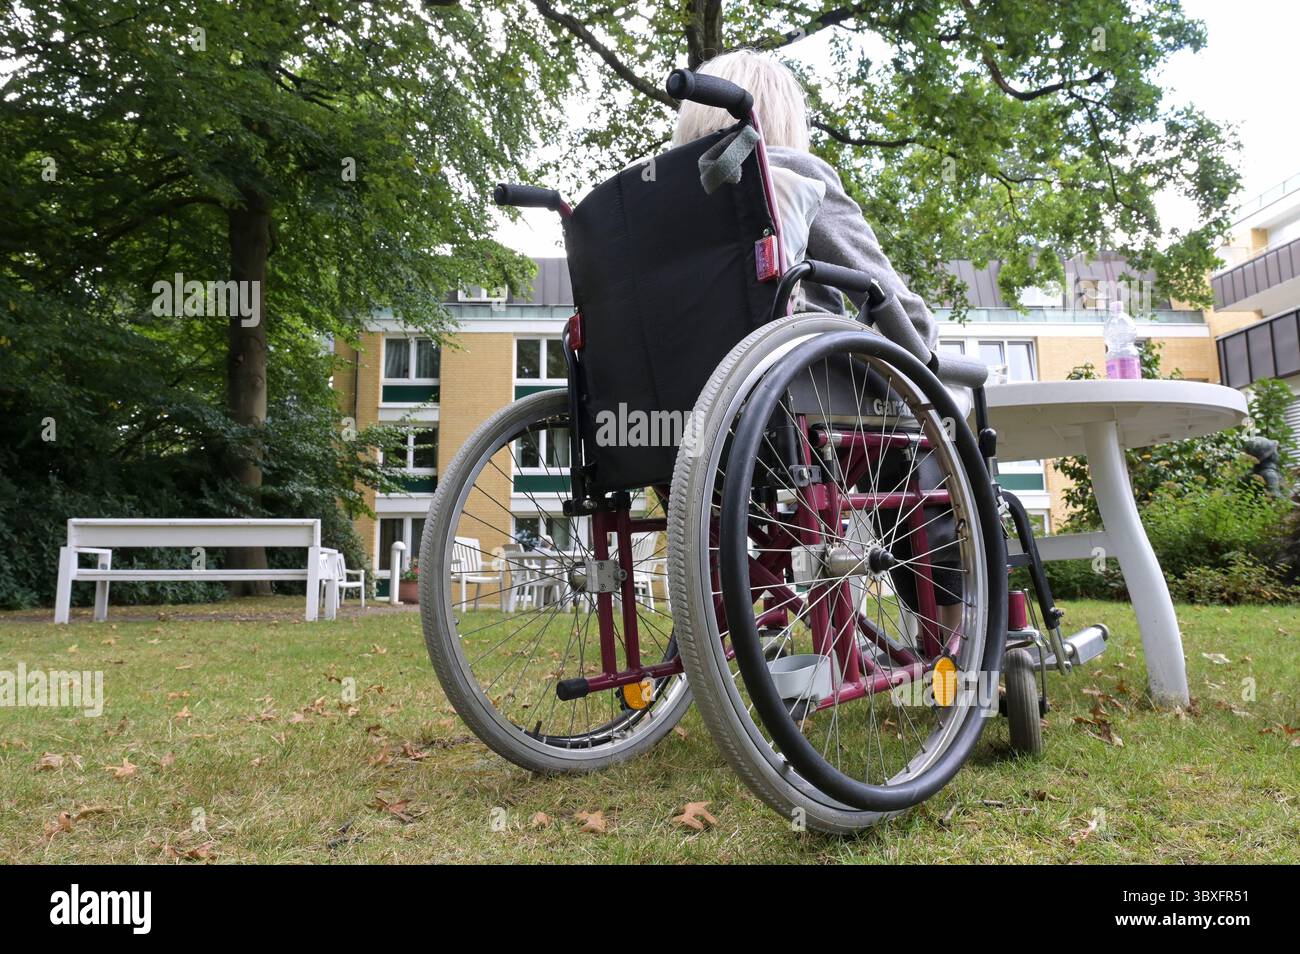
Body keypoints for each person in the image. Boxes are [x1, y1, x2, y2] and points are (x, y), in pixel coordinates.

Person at [673, 50, 964, 648]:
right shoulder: (793, 173)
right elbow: (886, 294)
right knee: (927, 438)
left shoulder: (658, 204)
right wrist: (928, 361)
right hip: (791, 406)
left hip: (683, 423)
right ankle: (951, 630)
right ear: (782, 116)